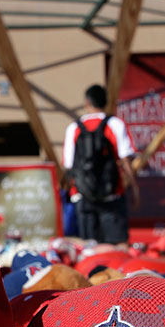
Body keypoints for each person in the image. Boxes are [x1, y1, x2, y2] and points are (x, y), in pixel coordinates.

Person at [62, 84, 138, 244]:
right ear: (105, 102)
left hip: (82, 196)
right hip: (112, 195)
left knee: (88, 248)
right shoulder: (115, 124)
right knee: (117, 246)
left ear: (87, 103)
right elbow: (125, 159)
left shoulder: (74, 128)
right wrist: (134, 188)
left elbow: (68, 165)